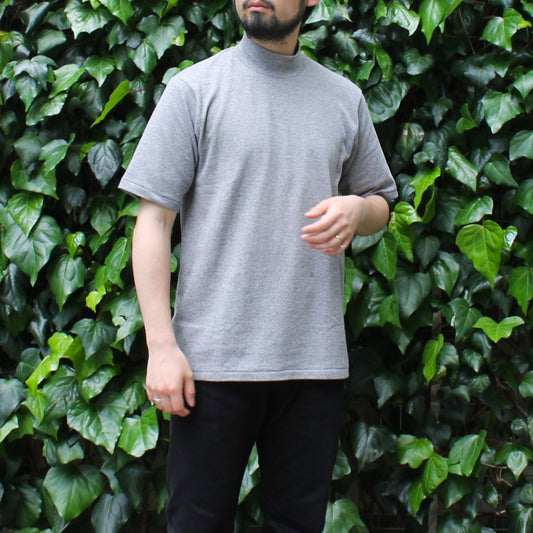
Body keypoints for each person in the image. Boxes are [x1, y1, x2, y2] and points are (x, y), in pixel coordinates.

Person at [119, 0, 397, 531]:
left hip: (312, 366)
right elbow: (153, 223)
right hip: (209, 367)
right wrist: (161, 347)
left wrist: (357, 211)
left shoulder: (344, 98)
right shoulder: (194, 90)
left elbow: (380, 201)